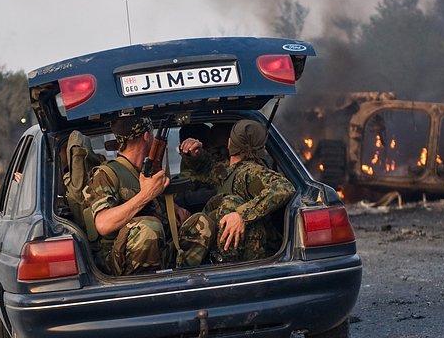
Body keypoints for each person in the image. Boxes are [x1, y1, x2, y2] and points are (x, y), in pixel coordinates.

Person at [82, 117, 213, 275]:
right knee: (148, 227)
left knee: (202, 222)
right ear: (146, 136)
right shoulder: (106, 174)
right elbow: (103, 224)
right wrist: (145, 194)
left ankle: (180, 279)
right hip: (119, 258)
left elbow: (153, 205)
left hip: (157, 247)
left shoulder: (145, 172)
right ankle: (142, 286)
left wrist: (174, 209)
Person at [179, 119, 296, 262]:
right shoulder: (230, 170)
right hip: (228, 253)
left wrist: (241, 215)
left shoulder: (250, 172)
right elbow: (209, 167)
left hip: (250, 257)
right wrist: (196, 154)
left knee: (230, 202)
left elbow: (284, 187)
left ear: (229, 143)